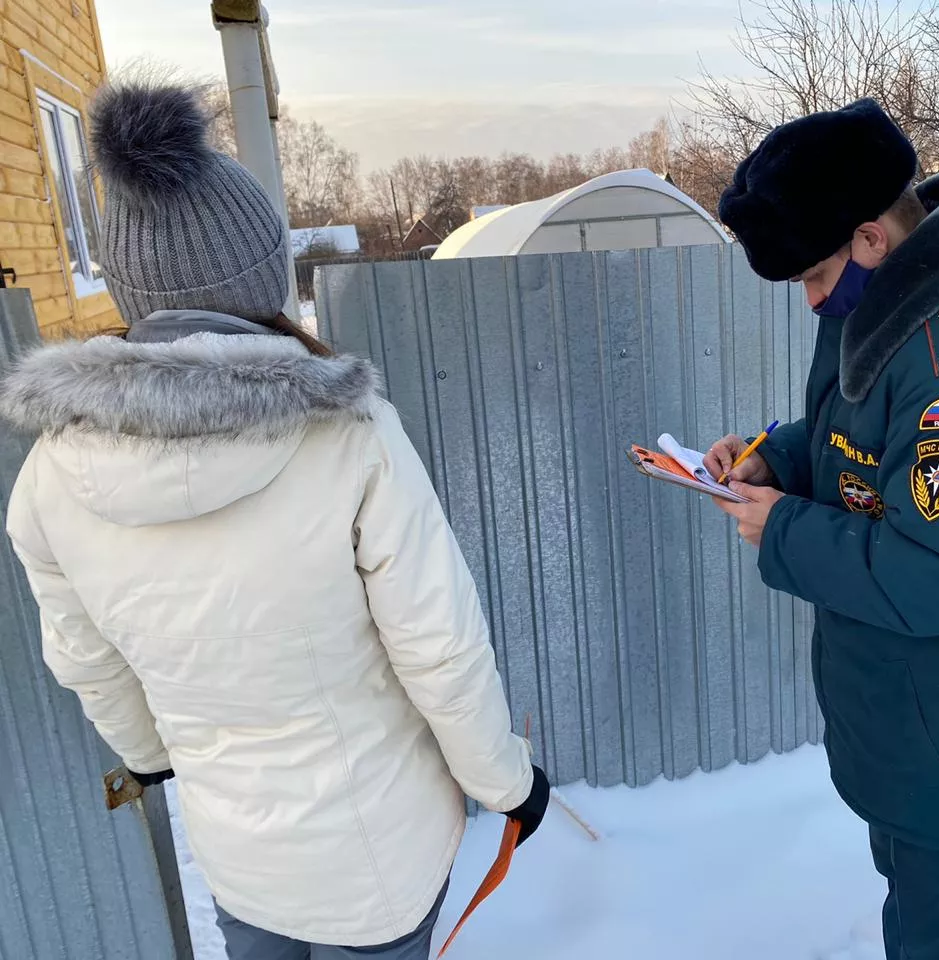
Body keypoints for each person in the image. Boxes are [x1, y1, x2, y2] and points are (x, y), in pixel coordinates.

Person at [1, 79, 549, 959]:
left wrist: (149, 755)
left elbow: (84, 660)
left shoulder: (51, 473)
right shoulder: (347, 433)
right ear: (262, 270)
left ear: (130, 289)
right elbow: (437, 644)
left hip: (238, 858)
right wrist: (508, 784)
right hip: (380, 858)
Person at [704, 100, 939, 960]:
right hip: (907, 715)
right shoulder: (883, 307)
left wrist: (786, 531)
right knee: (917, 913)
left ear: (872, 238)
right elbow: (860, 439)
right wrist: (777, 461)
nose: (808, 301)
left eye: (810, 275)